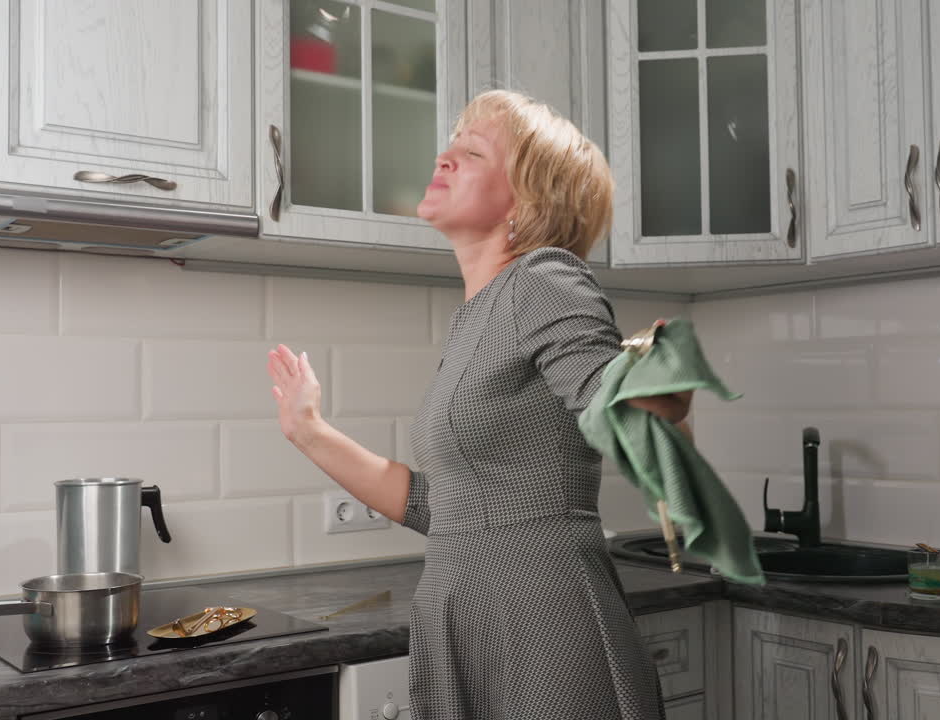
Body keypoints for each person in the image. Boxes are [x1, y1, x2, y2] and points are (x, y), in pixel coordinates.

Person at [267, 89, 692, 720]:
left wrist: (662, 378)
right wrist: (308, 431)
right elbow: (444, 507)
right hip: (475, 607)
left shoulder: (544, 279)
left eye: (471, 150)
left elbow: (613, 402)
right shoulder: (481, 315)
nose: (444, 156)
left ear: (529, 200)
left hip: (538, 621)